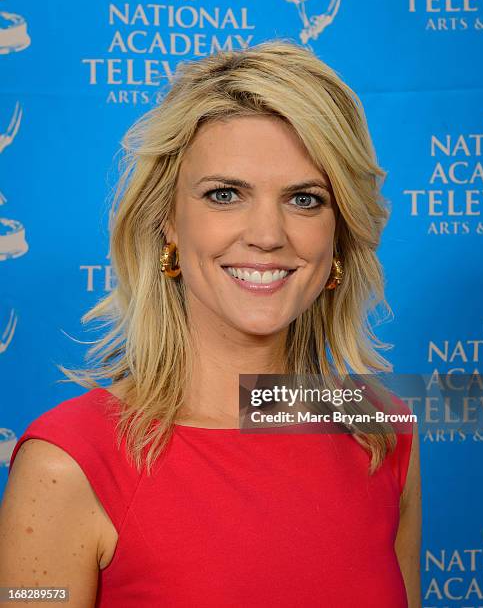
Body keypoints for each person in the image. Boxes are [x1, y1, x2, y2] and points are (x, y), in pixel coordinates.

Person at [0, 39, 422, 607]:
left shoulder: (382, 428)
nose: (268, 234)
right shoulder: (67, 462)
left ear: (339, 233)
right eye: (225, 194)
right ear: (168, 222)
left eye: (305, 199)